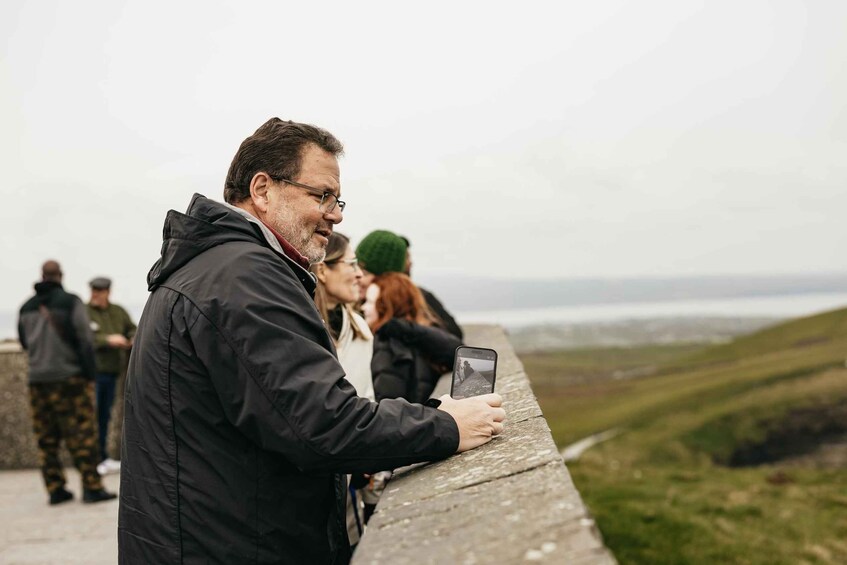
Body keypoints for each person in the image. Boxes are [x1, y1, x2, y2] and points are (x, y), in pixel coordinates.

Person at [118, 118, 505, 564]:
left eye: (337, 199)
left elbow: (279, 415)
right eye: (321, 195)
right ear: (262, 190)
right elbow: (322, 423)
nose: (336, 214)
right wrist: (448, 426)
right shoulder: (245, 276)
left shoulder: (211, 268)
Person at [17, 260, 117, 505]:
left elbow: (24, 343)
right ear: (60, 276)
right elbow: (85, 340)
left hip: (37, 380)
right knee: (82, 433)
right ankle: (91, 487)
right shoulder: (71, 302)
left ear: (41, 276)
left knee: (46, 438)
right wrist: (89, 375)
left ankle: (55, 489)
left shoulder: (26, 307)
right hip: (69, 378)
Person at [309, 231, 376, 545]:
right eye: (351, 264)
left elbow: (368, 398)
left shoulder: (361, 331)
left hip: (355, 483)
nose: (360, 274)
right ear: (323, 270)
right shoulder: (304, 332)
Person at [362, 272, 462, 403]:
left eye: (369, 302)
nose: (363, 307)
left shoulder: (387, 344)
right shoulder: (414, 336)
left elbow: (390, 404)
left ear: (385, 306)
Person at [356, 230, 463, 339]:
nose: (356, 277)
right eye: (354, 267)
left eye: (365, 273)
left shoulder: (421, 301)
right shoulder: (350, 303)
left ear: (387, 280)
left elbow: (453, 338)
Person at [86, 276, 136, 475]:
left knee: (105, 415)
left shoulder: (117, 311)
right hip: (93, 373)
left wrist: (131, 338)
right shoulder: (84, 311)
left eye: (100, 291)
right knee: (94, 416)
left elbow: (132, 327)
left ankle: (104, 457)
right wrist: (107, 340)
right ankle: (95, 458)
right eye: (93, 290)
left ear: (107, 292)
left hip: (113, 372)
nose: (96, 294)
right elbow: (84, 337)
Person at [400, 235, 463, 339]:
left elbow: (454, 332)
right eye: (406, 257)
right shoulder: (419, 295)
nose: (411, 263)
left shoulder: (422, 295)